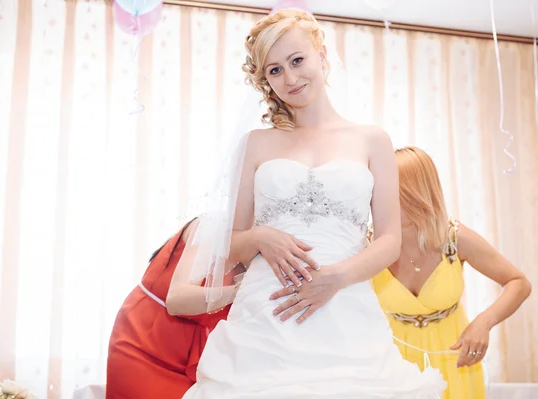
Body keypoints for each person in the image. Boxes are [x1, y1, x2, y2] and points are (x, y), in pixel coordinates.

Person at [166, 9, 446, 398]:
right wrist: (262, 236)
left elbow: (388, 241)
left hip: (346, 311)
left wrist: (337, 278)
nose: (290, 78)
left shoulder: (372, 140)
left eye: (297, 60)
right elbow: (228, 242)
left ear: (322, 55)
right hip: (267, 313)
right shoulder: (256, 144)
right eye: (274, 70)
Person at [370, 146, 532, 399]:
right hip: (391, 361)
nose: (380, 201)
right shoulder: (367, 244)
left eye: (393, 192)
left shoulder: (455, 238)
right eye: (378, 191)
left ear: (418, 192)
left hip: (454, 360)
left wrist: (483, 324)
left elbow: (518, 282)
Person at [105, 218, 243, 399]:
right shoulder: (212, 225)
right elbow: (176, 298)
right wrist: (238, 292)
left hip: (192, 356)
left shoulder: (261, 249)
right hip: (145, 340)